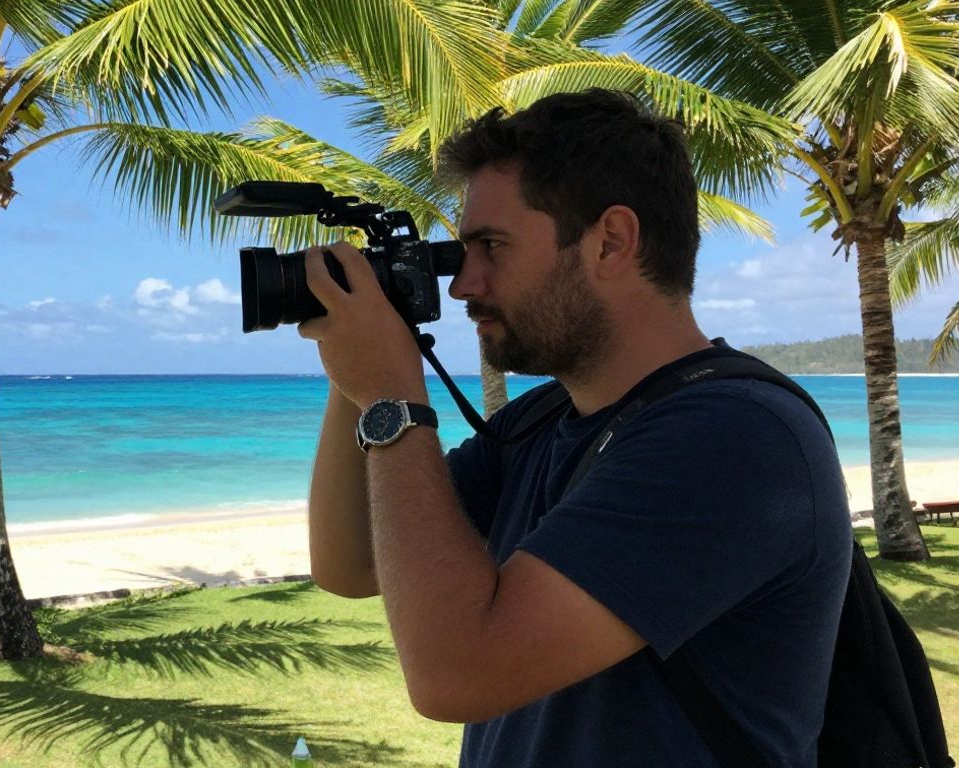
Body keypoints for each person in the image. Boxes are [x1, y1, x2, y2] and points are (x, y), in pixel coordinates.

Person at [297, 88, 853, 767]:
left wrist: (392, 395)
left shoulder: (734, 439)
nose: (465, 283)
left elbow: (455, 674)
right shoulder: (547, 421)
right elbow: (350, 565)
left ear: (611, 243)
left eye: (491, 245)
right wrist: (352, 367)